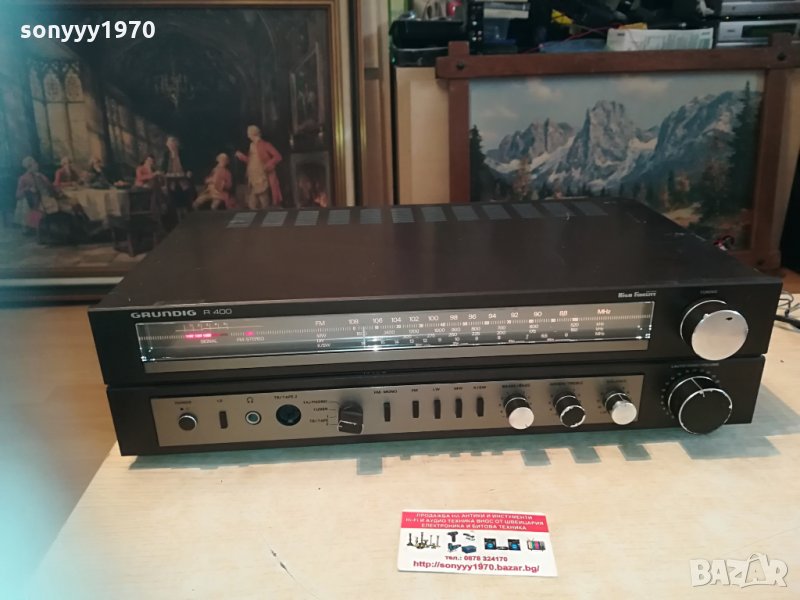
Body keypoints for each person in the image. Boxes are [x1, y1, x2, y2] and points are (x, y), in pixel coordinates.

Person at [235, 125, 282, 209]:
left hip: (261, 177)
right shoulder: (252, 145)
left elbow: (278, 156)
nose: (248, 136)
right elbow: (251, 161)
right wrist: (242, 157)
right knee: (252, 204)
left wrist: (268, 164)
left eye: (249, 133)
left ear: (253, 134)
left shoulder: (265, 145)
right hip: (253, 178)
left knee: (263, 201)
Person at [15, 156, 60, 231]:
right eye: (35, 163)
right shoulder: (23, 178)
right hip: (37, 202)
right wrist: (28, 189)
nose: (37, 164)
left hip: (46, 198)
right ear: (29, 166)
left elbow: (50, 187)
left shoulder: (40, 175)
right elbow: (17, 195)